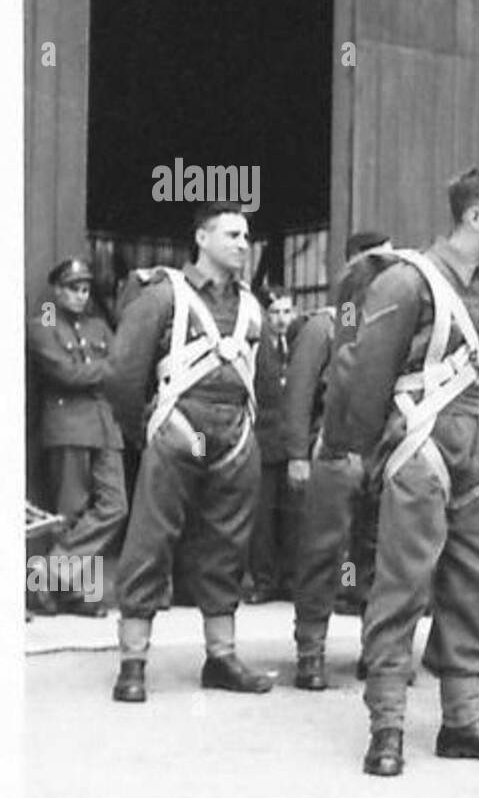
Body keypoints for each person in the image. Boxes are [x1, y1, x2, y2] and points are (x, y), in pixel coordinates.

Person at [341, 168, 479, 776]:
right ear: (475, 217)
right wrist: (362, 454)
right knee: (401, 587)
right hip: (420, 448)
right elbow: (368, 374)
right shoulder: (406, 281)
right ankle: (388, 725)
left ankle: (462, 720)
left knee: (478, 585)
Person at [105, 203, 271, 702]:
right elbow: (123, 372)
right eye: (232, 234)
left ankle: (220, 657)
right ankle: (133, 662)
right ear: (201, 237)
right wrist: (147, 428)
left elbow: (262, 379)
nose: (244, 243)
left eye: (247, 235)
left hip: (234, 434)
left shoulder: (251, 306)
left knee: (228, 544)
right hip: (180, 427)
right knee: (151, 540)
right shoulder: (163, 294)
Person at [287, 230, 391, 691]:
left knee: (377, 555)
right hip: (332, 454)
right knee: (321, 555)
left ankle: (376, 651)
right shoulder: (326, 326)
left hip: (380, 458)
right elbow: (300, 394)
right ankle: (311, 652)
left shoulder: (392, 328)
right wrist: (296, 455)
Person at [26, 258, 128, 616]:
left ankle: (48, 572)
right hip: (69, 427)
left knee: (115, 506)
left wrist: (102, 371)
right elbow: (64, 374)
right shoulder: (45, 323)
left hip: (105, 428)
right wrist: (106, 369)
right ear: (57, 289)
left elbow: (122, 371)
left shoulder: (99, 325)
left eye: (85, 289)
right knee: (70, 513)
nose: (81, 295)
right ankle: (75, 594)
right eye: (73, 288)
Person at [247, 285, 299, 602]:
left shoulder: (303, 344)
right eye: (275, 313)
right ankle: (264, 581)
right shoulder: (257, 347)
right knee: (262, 519)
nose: (281, 319)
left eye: (286, 312)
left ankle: (291, 580)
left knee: (295, 516)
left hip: (292, 444)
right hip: (263, 442)